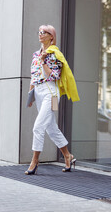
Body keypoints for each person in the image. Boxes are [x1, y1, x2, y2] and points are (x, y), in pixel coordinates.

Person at [26, 25, 80, 175]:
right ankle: (68, 155)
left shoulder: (55, 54)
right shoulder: (36, 54)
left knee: (38, 126)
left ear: (51, 36)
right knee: (51, 127)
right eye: (39, 32)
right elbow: (34, 75)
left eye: (44, 32)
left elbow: (54, 76)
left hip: (52, 93)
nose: (40, 34)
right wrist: (30, 95)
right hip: (38, 92)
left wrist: (44, 62)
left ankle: (34, 161)